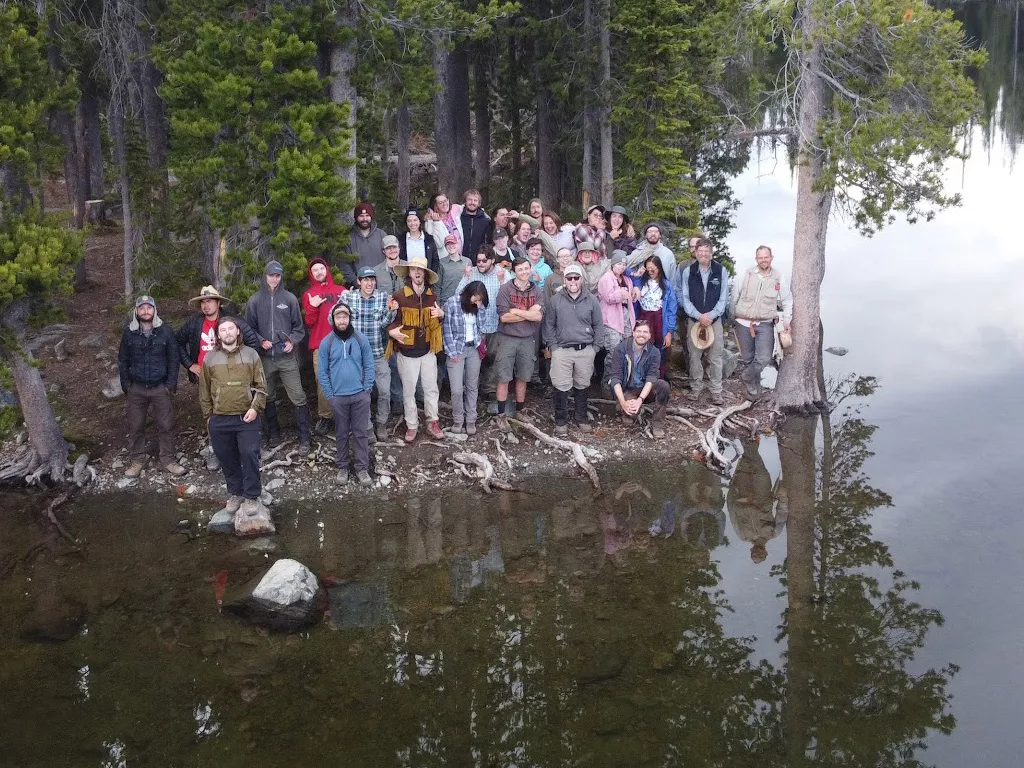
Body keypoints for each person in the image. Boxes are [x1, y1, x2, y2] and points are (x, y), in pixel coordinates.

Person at [200, 315, 268, 521]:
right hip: (220, 418)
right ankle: (236, 493)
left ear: (238, 331)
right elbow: (204, 391)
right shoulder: (210, 359)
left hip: (246, 417)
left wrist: (256, 408)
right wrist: (208, 417)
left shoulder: (251, 355)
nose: (228, 333)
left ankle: (251, 496)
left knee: (249, 454)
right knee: (226, 458)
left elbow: (262, 386)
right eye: (223, 330)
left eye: (231, 329)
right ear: (218, 335)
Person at [245, 260, 310, 451]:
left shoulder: (289, 299)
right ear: (265, 276)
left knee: (298, 395)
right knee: (268, 395)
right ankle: (273, 433)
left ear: (281, 277)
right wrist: (259, 340)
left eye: (277, 275)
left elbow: (299, 328)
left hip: (287, 358)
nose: (274, 278)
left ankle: (304, 437)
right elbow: (249, 328)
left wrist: (292, 342)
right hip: (265, 358)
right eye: (271, 275)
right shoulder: (255, 300)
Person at [118, 295, 184, 477]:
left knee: (166, 424)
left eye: (149, 307)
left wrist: (170, 384)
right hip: (136, 388)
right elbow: (123, 360)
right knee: (136, 425)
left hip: (159, 387)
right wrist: (126, 385)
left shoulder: (166, 332)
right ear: (137, 311)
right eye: (142, 308)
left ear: (154, 310)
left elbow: (174, 359)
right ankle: (137, 460)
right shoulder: (129, 333)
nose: (146, 311)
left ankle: (168, 459)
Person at [387, 255, 445, 442]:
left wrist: (442, 315)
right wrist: (391, 332)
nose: (417, 272)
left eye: (420, 270)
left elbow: (437, 320)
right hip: (406, 353)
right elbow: (389, 321)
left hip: (428, 351)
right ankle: (411, 425)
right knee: (409, 392)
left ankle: (432, 421)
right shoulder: (399, 296)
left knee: (431, 389)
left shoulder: (432, 296)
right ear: (409, 273)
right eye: (414, 269)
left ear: (425, 275)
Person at [318, 301, 375, 487]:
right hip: (338, 397)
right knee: (341, 433)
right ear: (333, 319)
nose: (342, 320)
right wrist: (330, 395)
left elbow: (369, 365)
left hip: (360, 395)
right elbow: (322, 372)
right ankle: (342, 467)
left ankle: (362, 468)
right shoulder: (327, 342)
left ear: (350, 318)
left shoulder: (361, 339)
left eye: (345, 316)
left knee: (361, 433)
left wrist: (367, 390)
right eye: (338, 317)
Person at [542, 264, 604, 436]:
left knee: (582, 384)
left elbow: (599, 325)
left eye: (576, 277)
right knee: (561, 387)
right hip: (562, 350)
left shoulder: (591, 299)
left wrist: (596, 347)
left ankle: (581, 417)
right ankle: (561, 421)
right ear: (564, 280)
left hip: (586, 350)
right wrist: (554, 347)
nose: (573, 281)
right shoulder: (556, 300)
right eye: (570, 278)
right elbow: (549, 325)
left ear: (581, 279)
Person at [340, 267, 398, 442]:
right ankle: (367, 426)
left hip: (378, 354)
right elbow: (333, 319)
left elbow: (384, 324)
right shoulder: (348, 297)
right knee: (362, 395)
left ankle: (381, 423)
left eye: (372, 279)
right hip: (356, 357)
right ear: (359, 281)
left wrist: (392, 311)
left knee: (385, 392)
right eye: (365, 279)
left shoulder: (383, 297)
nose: (369, 283)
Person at [730, 245, 792, 399]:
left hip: (765, 323)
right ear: (756, 258)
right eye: (760, 257)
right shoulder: (746, 274)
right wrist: (732, 318)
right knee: (748, 358)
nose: (763, 260)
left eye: (766, 257)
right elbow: (734, 297)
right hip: (743, 322)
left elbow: (787, 300)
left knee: (764, 357)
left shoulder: (778, 277)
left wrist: (787, 320)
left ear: (771, 257)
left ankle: (746, 378)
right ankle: (754, 392)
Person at [494, 258, 544, 431]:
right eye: (520, 269)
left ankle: (520, 410)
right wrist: (527, 314)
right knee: (504, 376)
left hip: (527, 339)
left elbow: (538, 316)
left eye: (526, 268)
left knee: (523, 375)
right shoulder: (505, 289)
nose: (524, 272)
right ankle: (501, 415)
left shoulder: (536, 290)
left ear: (530, 269)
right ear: (514, 271)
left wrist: (515, 311)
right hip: (507, 338)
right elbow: (504, 317)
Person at [456, 244, 507, 410]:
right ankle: (472, 391)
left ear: (492, 260)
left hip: (495, 324)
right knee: (474, 359)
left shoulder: (502, 273)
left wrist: (501, 281)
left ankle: (490, 390)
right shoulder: (472, 274)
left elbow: (510, 296)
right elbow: (457, 296)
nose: (481, 264)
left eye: (484, 260)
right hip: (475, 326)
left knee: (493, 358)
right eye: (478, 260)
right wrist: (465, 277)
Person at [176, 285, 261, 384]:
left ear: (218, 302)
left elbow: (253, 342)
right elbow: (178, 342)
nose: (205, 305)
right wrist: (190, 364)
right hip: (203, 373)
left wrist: (242, 365)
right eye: (203, 302)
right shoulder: (194, 322)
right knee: (205, 399)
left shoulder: (232, 321)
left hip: (229, 373)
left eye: (209, 301)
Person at [681, 239, 729, 405]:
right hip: (694, 320)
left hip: (714, 321)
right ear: (695, 252)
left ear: (711, 253)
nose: (703, 254)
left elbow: (724, 298)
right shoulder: (689, 271)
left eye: (706, 251)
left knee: (715, 356)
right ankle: (696, 388)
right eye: (700, 251)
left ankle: (716, 391)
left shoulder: (720, 271)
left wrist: (711, 315)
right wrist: (698, 315)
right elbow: (685, 298)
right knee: (695, 356)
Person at [302, 257, 345, 436]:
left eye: (322, 268)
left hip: (342, 343)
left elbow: (350, 317)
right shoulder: (309, 294)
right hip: (320, 345)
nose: (319, 272)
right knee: (323, 382)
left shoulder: (341, 291)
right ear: (311, 275)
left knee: (343, 380)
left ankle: (343, 416)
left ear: (327, 269)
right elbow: (309, 323)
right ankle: (325, 417)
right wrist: (312, 307)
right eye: (315, 271)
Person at [606, 320, 670, 438]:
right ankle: (624, 410)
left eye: (645, 332)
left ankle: (658, 424)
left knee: (663, 386)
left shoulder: (654, 352)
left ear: (650, 335)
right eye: (639, 331)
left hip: (645, 388)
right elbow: (615, 378)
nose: (642, 334)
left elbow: (651, 378)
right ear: (633, 333)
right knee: (632, 414)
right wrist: (623, 402)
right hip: (627, 389)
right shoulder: (621, 349)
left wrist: (640, 400)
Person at [727, 439, 787, 563]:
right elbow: (782, 512)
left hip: (742, 495)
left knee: (745, 461)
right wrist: (782, 495)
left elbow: (732, 512)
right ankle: (750, 437)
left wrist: (733, 492)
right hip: (762, 493)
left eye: (754, 555)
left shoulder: (742, 536)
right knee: (756, 461)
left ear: (751, 552)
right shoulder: (773, 533)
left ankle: (749, 436)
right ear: (765, 553)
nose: (757, 553)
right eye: (760, 556)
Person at [442, 281, 489, 435]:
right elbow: (446, 329)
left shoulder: (478, 306)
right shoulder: (453, 303)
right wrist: (452, 352)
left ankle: (471, 419)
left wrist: (480, 308)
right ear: (468, 293)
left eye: (479, 299)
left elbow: (481, 325)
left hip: (473, 348)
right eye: (475, 298)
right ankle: (457, 419)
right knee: (456, 389)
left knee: (472, 386)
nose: (476, 302)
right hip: (456, 349)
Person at [630, 254, 677, 378]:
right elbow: (625, 270)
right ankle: (640, 380)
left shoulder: (666, 285)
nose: (650, 272)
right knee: (641, 350)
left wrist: (669, 332)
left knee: (659, 352)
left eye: (653, 269)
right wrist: (637, 275)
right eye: (648, 269)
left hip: (660, 321)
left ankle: (658, 380)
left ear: (659, 268)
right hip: (643, 319)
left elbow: (672, 310)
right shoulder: (640, 281)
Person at [596, 250, 635, 355]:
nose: (621, 267)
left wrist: (635, 292)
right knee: (614, 351)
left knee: (627, 347)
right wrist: (621, 292)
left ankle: (625, 371)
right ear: (613, 264)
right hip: (611, 320)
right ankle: (611, 371)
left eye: (623, 265)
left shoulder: (627, 280)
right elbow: (608, 298)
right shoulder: (606, 278)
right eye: (619, 264)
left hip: (626, 317)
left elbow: (631, 298)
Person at [344, 201, 385, 285]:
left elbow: (391, 258)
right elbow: (344, 264)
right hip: (358, 287)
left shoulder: (382, 235)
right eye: (361, 216)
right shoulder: (348, 237)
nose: (364, 219)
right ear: (356, 217)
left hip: (381, 285)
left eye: (367, 216)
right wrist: (355, 282)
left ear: (371, 217)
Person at [398, 208, 440, 276]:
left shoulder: (429, 239)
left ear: (420, 221)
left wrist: (430, 276)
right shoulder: (401, 239)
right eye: (409, 221)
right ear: (406, 222)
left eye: (415, 220)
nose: (412, 223)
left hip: (425, 279)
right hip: (406, 278)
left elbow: (435, 260)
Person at [437, 233, 472, 303]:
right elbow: (437, 286)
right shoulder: (441, 263)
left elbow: (471, 283)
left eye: (453, 243)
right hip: (446, 302)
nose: (451, 246)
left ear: (458, 244)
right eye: (448, 244)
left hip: (463, 302)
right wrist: (438, 304)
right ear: (445, 247)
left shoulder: (467, 261)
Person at [460, 189, 491, 262]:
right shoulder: (458, 218)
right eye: (469, 200)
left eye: (475, 200)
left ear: (479, 203)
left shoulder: (485, 220)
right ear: (465, 202)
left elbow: (488, 242)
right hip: (460, 259)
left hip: (478, 261)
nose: (472, 202)